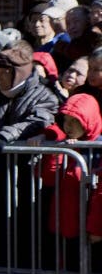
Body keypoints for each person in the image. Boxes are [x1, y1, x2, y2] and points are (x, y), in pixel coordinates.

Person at [29, 93, 102, 242]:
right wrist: (51, 142)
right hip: (65, 223)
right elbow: (50, 178)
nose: (68, 126)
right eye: (66, 120)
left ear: (88, 121)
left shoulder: (97, 148)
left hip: (89, 226)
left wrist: (96, 229)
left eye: (75, 121)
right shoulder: (66, 144)